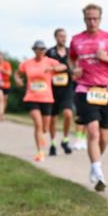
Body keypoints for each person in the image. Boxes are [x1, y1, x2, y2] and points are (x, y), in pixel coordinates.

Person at [69, 3, 108, 191]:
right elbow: (71, 58)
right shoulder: (76, 40)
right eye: (88, 18)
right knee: (92, 130)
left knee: (103, 137)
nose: (92, 21)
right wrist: (74, 70)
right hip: (85, 89)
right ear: (84, 19)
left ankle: (95, 164)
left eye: (95, 18)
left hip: (107, 90)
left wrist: (106, 58)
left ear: (100, 19)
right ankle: (98, 172)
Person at [14, 40, 66, 162]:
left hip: (47, 98)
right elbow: (17, 72)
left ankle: (42, 138)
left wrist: (52, 68)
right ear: (34, 50)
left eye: (42, 49)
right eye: (38, 48)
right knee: (38, 124)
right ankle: (40, 152)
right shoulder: (27, 63)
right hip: (31, 97)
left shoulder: (49, 61)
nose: (40, 51)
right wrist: (17, 80)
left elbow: (63, 66)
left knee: (45, 128)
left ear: (45, 50)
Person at [45, 28, 76, 156]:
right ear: (55, 37)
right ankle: (52, 143)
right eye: (60, 36)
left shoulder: (70, 53)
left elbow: (74, 66)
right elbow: (44, 67)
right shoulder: (49, 52)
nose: (63, 38)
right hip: (52, 89)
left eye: (64, 36)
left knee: (68, 114)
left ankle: (65, 139)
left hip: (67, 88)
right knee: (53, 119)